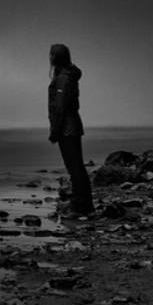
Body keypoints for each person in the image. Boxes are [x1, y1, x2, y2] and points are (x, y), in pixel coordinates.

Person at [48, 42, 94, 218]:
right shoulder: (67, 75)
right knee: (76, 168)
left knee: (75, 168)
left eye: (52, 55)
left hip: (68, 128)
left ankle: (82, 207)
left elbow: (60, 108)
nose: (50, 58)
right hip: (72, 126)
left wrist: (54, 132)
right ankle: (81, 204)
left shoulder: (63, 78)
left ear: (56, 57)